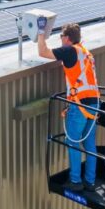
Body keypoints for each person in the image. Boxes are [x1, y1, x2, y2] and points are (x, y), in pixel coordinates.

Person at [37, 23, 99, 192]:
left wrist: (41, 32)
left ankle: (75, 181)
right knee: (89, 144)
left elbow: (43, 52)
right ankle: (90, 181)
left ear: (67, 38)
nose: (60, 39)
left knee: (73, 142)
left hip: (79, 105)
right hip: (94, 105)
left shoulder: (70, 51)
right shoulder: (86, 53)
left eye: (61, 36)